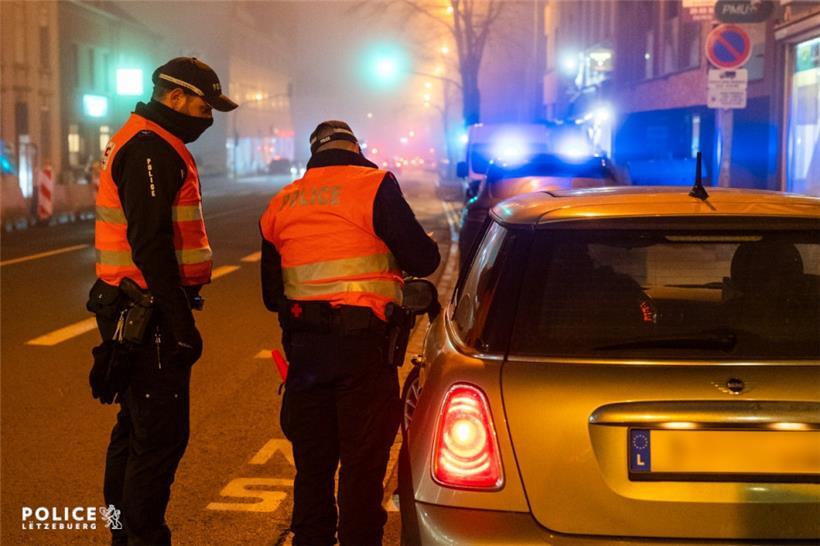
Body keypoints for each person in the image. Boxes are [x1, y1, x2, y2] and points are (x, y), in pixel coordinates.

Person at [259, 120, 440, 546]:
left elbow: (272, 295)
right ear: (356, 149)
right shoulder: (373, 186)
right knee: (363, 465)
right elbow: (423, 259)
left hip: (305, 353)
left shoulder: (282, 201)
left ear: (313, 155)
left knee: (312, 465)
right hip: (364, 351)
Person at [87, 57, 237, 545]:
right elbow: (150, 243)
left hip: (133, 304)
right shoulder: (150, 148)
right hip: (145, 310)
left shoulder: (149, 140)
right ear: (175, 97)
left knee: (134, 431)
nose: (207, 118)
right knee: (158, 439)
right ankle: (142, 538)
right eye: (204, 107)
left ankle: (123, 536)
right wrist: (179, 323)